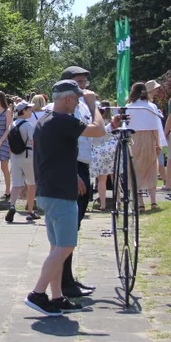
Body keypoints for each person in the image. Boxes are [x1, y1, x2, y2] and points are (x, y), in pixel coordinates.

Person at [26, 80, 121, 316]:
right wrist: (93, 105)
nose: (79, 102)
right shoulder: (63, 120)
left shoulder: (45, 121)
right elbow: (98, 130)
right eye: (77, 99)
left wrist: (73, 175)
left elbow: (52, 156)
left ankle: (57, 297)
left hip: (48, 190)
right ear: (68, 99)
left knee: (57, 247)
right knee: (66, 246)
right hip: (60, 193)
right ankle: (37, 293)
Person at [62, 65, 106, 296]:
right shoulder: (69, 109)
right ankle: (64, 283)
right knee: (68, 229)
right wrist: (93, 105)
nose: (85, 88)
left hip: (83, 166)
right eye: (80, 83)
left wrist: (111, 126)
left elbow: (96, 140)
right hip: (74, 167)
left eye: (85, 83)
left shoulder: (81, 109)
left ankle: (68, 279)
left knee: (74, 227)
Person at [127, 82, 164, 211]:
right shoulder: (151, 107)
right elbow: (155, 128)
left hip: (134, 138)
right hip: (149, 138)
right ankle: (153, 202)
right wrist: (158, 144)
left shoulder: (129, 107)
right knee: (151, 168)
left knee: (135, 170)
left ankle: (140, 203)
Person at [6, 101, 38, 222]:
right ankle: (30, 210)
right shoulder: (28, 125)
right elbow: (32, 142)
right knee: (31, 184)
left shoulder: (12, 125)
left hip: (15, 157)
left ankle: (12, 205)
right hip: (27, 155)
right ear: (23, 111)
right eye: (29, 109)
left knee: (16, 185)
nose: (31, 111)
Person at [90, 102, 117, 211]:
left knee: (102, 179)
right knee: (115, 177)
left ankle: (103, 204)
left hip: (99, 151)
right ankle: (118, 201)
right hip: (112, 149)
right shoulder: (112, 121)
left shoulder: (94, 123)